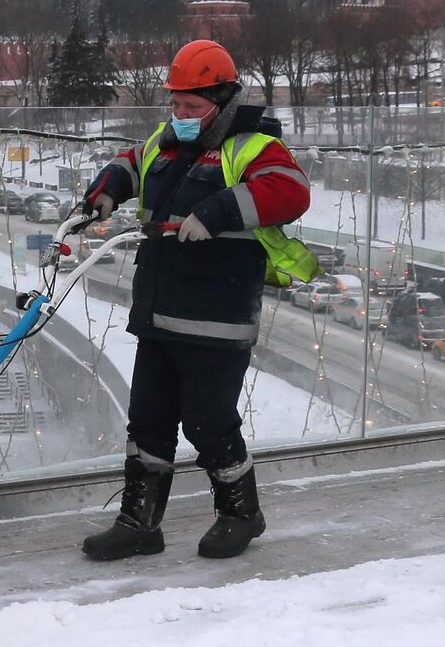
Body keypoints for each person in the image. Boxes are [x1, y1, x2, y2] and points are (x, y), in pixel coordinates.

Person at [79, 39, 313, 561]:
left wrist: (218, 211)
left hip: (216, 315)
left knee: (208, 422)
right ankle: (139, 523)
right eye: (176, 104)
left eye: (192, 107)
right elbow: (131, 163)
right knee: (147, 422)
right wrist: (105, 193)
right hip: (159, 312)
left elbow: (291, 189)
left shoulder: (252, 147)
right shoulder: (167, 141)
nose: (180, 115)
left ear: (223, 100)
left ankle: (240, 512)